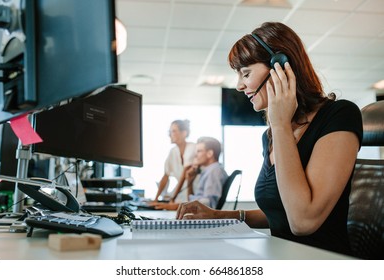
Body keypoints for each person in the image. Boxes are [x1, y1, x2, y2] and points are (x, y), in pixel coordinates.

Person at [176, 22, 363, 256]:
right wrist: (217, 216)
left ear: (281, 68)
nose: (239, 85)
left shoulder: (339, 116)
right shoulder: (272, 135)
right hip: (281, 258)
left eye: (246, 73)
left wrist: (280, 123)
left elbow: (302, 221)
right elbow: (279, 209)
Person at [152, 136, 228, 210]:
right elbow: (193, 202)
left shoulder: (214, 171)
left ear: (210, 154)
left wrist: (174, 206)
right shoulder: (208, 171)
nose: (195, 155)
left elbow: (208, 205)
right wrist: (190, 180)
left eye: (199, 151)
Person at [153, 119, 196, 203]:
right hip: (180, 194)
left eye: (173, 131)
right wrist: (155, 199)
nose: (170, 135)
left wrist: (173, 198)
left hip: (193, 193)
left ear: (184, 133)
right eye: (170, 132)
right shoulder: (173, 151)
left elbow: (184, 175)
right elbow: (166, 176)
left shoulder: (192, 147)